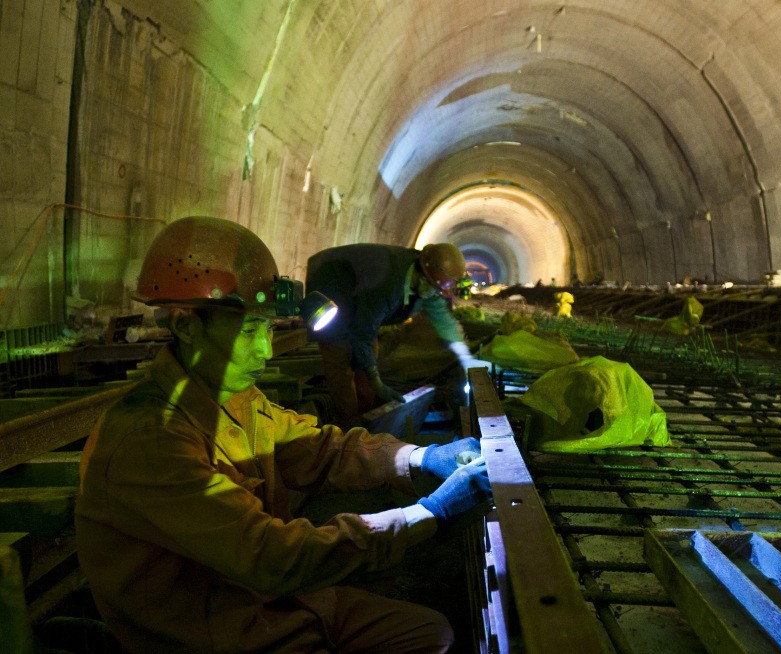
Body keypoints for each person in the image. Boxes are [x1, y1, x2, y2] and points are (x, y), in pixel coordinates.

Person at [75, 216, 492, 653]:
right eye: (249, 330)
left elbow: (318, 448)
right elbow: (270, 554)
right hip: (219, 632)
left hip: (281, 606)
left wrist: (418, 457)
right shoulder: (149, 440)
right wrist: (426, 514)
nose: (266, 350)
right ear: (185, 325)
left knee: (429, 634)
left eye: (268, 329)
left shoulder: (235, 396)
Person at [305, 242, 489, 425]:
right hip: (331, 282)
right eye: (433, 288)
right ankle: (347, 424)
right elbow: (363, 332)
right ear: (423, 275)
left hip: (360, 293)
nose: (435, 294)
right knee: (340, 359)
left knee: (367, 361)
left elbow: (443, 320)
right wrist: (376, 381)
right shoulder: (387, 281)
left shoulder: (427, 283)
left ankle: (364, 414)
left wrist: (466, 357)